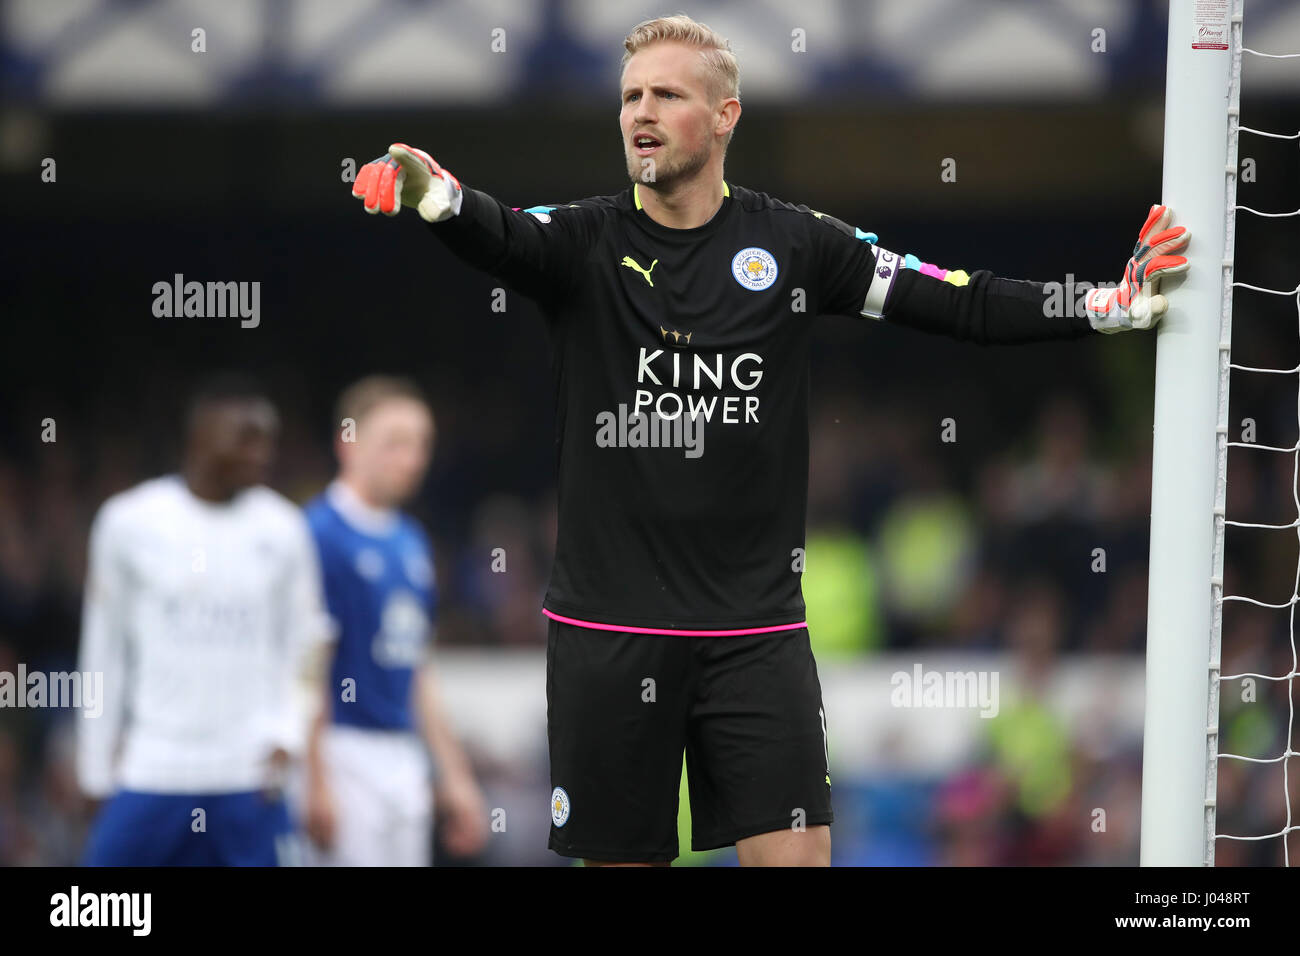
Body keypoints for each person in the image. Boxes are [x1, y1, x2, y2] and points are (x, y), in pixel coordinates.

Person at [346, 14, 1189, 867]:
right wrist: (435, 195)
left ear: (724, 116)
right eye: (631, 95)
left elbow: (956, 299)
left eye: (667, 94)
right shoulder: (584, 242)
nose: (641, 111)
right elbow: (500, 233)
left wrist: (1099, 304)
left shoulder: (794, 244)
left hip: (755, 631)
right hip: (608, 631)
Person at [77, 374, 328, 866]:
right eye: (247, 438)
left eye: (268, 440)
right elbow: (103, 649)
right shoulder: (129, 522)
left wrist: (289, 732)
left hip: (248, 776)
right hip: (154, 770)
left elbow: (310, 643)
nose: (263, 453)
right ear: (200, 439)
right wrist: (93, 768)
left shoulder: (284, 529)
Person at [298, 376, 487, 866]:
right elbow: (306, 667)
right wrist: (315, 778)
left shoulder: (411, 542)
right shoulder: (316, 534)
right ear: (349, 442)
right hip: (343, 749)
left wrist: (455, 776)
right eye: (395, 443)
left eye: (421, 444)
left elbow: (416, 666)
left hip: (402, 754)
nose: (412, 459)